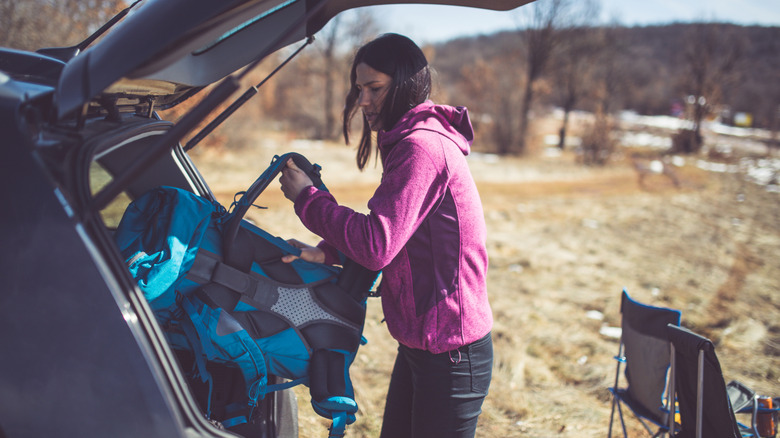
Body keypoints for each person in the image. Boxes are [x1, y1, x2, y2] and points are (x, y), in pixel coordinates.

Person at [278, 33, 493, 438]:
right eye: (359, 89)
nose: (362, 101)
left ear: (406, 85)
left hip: (451, 354)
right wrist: (328, 254)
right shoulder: (409, 143)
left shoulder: (421, 149)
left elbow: (378, 244)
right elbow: (399, 231)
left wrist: (308, 199)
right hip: (423, 345)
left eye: (374, 88)